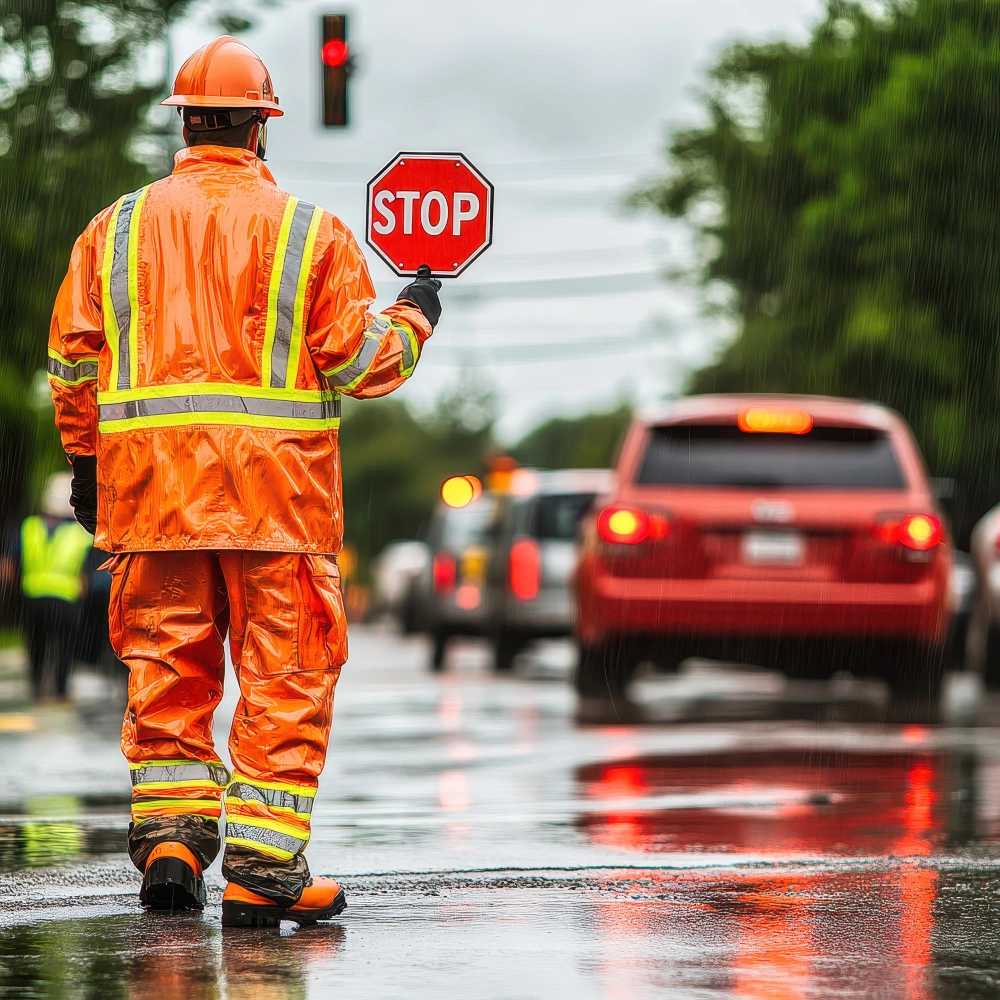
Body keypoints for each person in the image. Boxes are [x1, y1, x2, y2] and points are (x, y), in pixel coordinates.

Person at [47, 36, 441, 925]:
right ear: (263, 129)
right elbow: (360, 363)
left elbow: (73, 364)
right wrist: (414, 315)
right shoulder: (312, 233)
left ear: (184, 123)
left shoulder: (113, 231)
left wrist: (85, 463)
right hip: (278, 504)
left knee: (168, 674)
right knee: (285, 679)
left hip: (153, 500)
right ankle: (263, 876)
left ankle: (175, 848)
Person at [19, 472, 93, 701]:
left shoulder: (30, 526)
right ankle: (60, 692)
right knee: (64, 647)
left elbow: (12, 565)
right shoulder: (81, 533)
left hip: (34, 596)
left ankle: (36, 687)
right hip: (65, 599)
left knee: (36, 645)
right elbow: (86, 575)